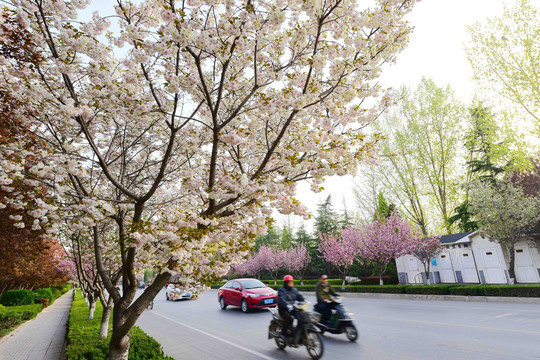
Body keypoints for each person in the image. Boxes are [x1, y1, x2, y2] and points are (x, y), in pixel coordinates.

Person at [277, 274, 305, 343]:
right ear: (286, 283)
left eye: (292, 282)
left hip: (292, 308)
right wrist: (286, 305)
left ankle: (296, 333)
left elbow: (299, 296)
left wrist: (304, 300)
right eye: (289, 282)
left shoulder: (294, 290)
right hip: (283, 309)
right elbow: (281, 299)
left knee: (301, 317)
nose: (291, 283)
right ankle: (284, 334)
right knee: (290, 318)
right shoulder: (281, 290)